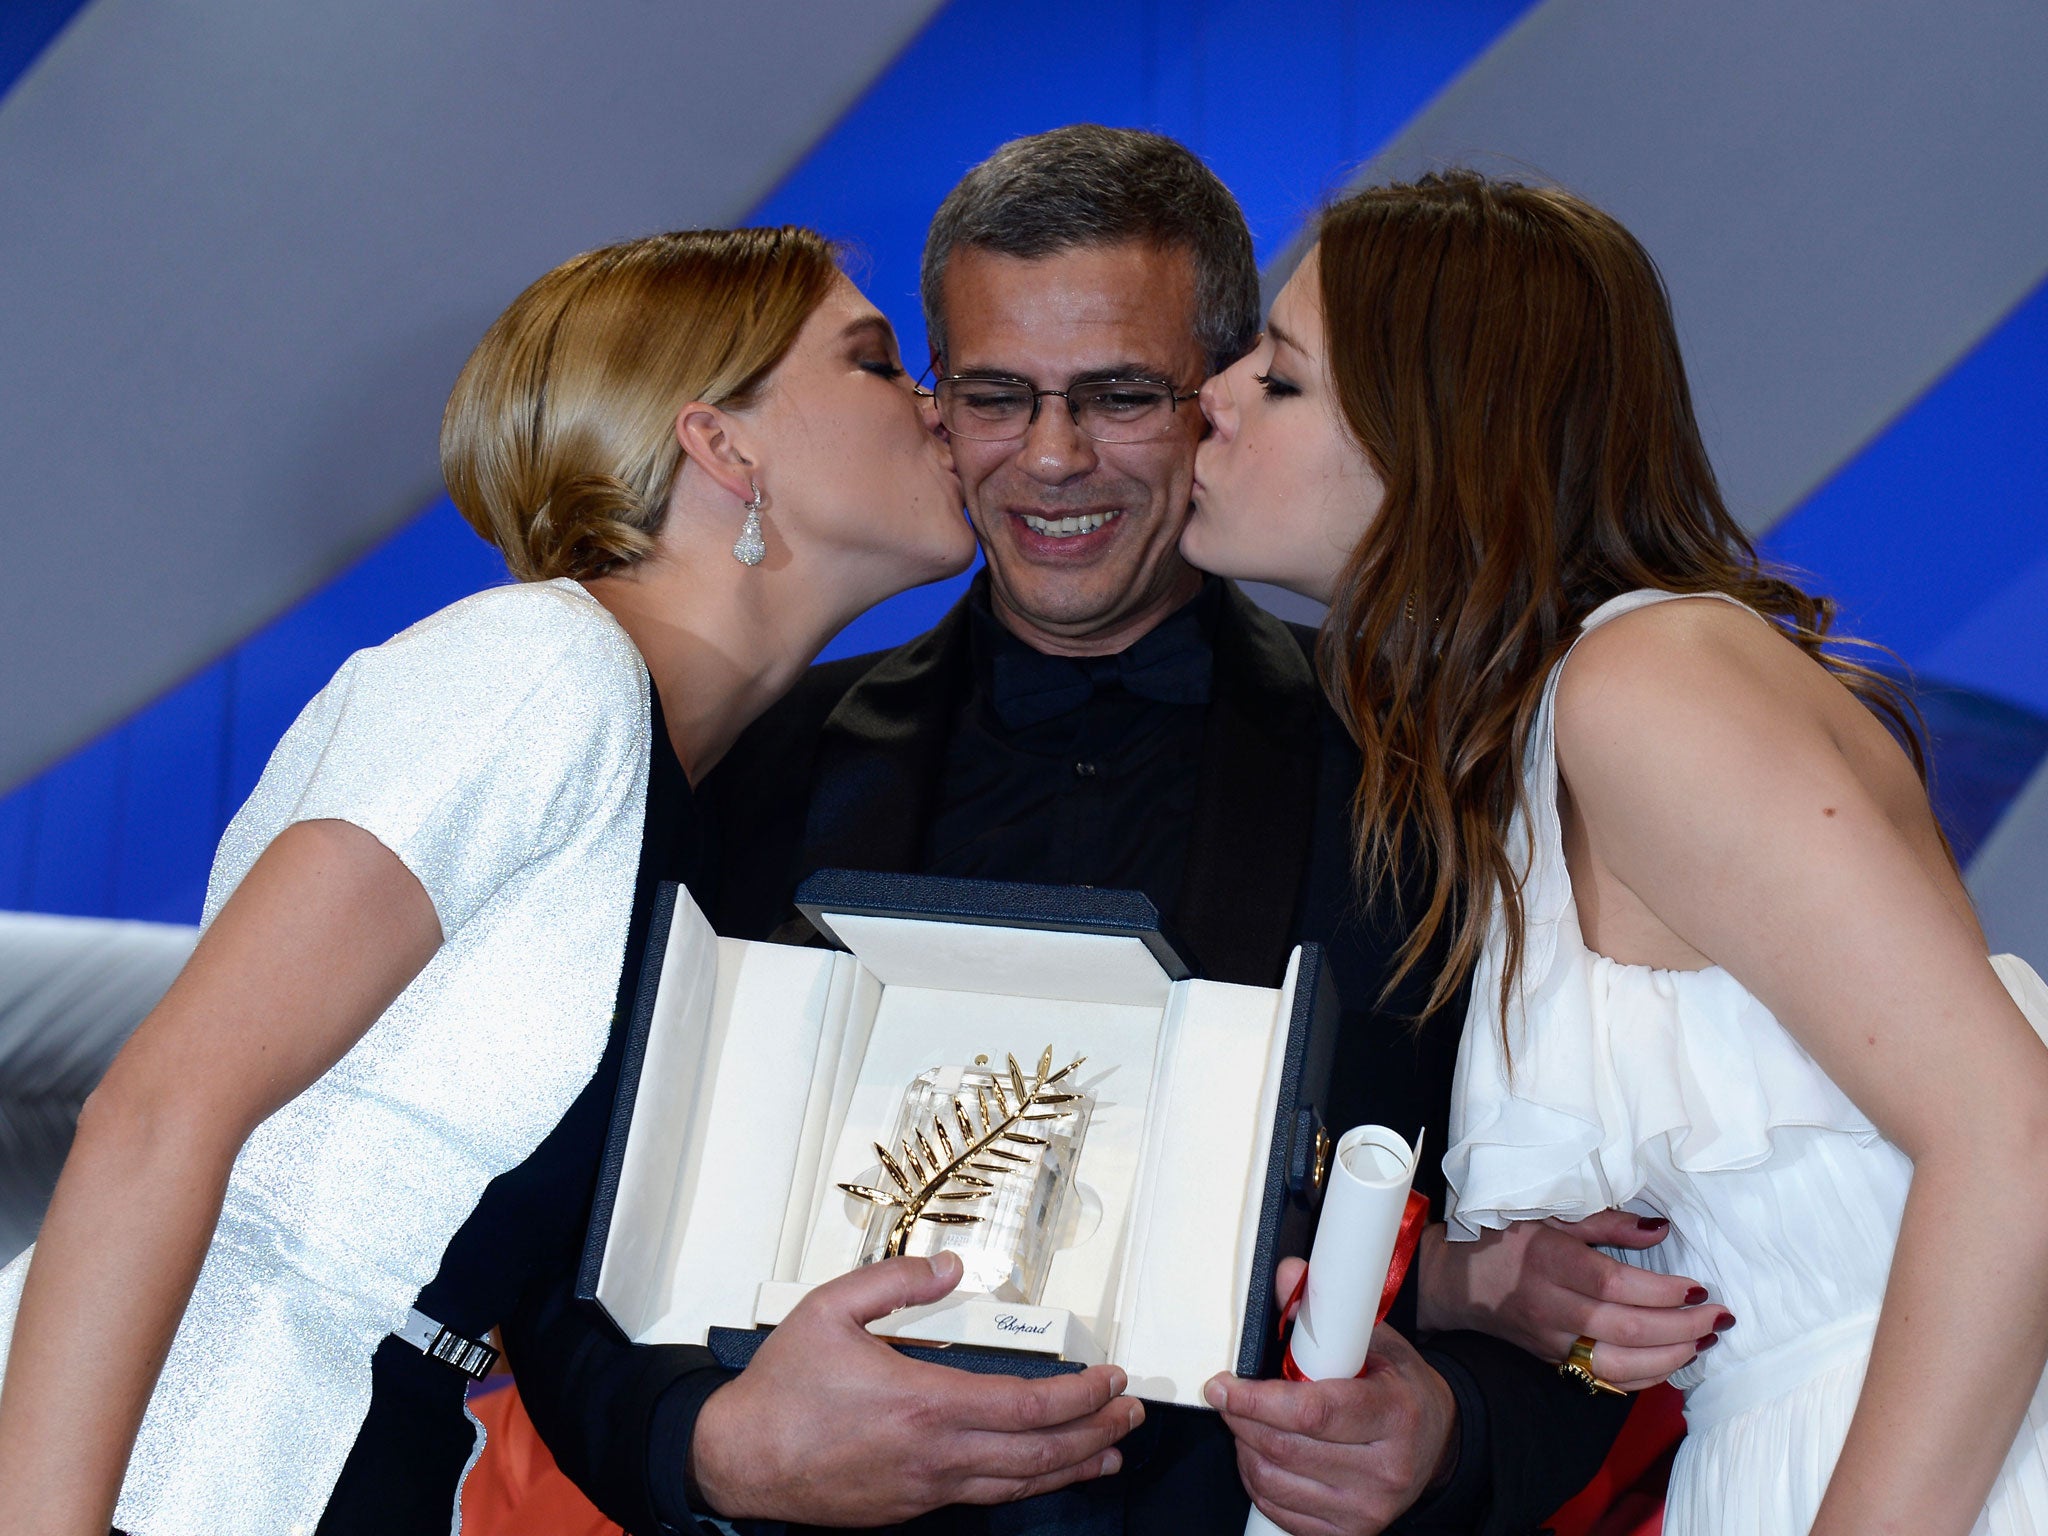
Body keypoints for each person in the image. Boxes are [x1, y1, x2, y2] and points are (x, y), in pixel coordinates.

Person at [502, 127, 1681, 1536]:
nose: (1053, 460)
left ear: (1224, 401)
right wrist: (708, 1452)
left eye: (1120, 395)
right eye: (998, 396)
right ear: (937, 407)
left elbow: (1591, 1286)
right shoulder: (745, 765)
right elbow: (561, 1240)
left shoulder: (1436, 780)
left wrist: (1450, 1436)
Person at [0, 224, 1109, 1535]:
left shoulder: (690, 793)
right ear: (723, 445)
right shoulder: (542, 673)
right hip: (158, 1465)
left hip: (357, 1460)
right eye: (877, 364)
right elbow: (158, 1109)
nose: (940, 405)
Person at [1181, 168, 2048, 1534]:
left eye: (1278, 378)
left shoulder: (1643, 685)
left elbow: (2016, 1138)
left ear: (1438, 439)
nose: (1209, 400)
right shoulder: (1554, 727)